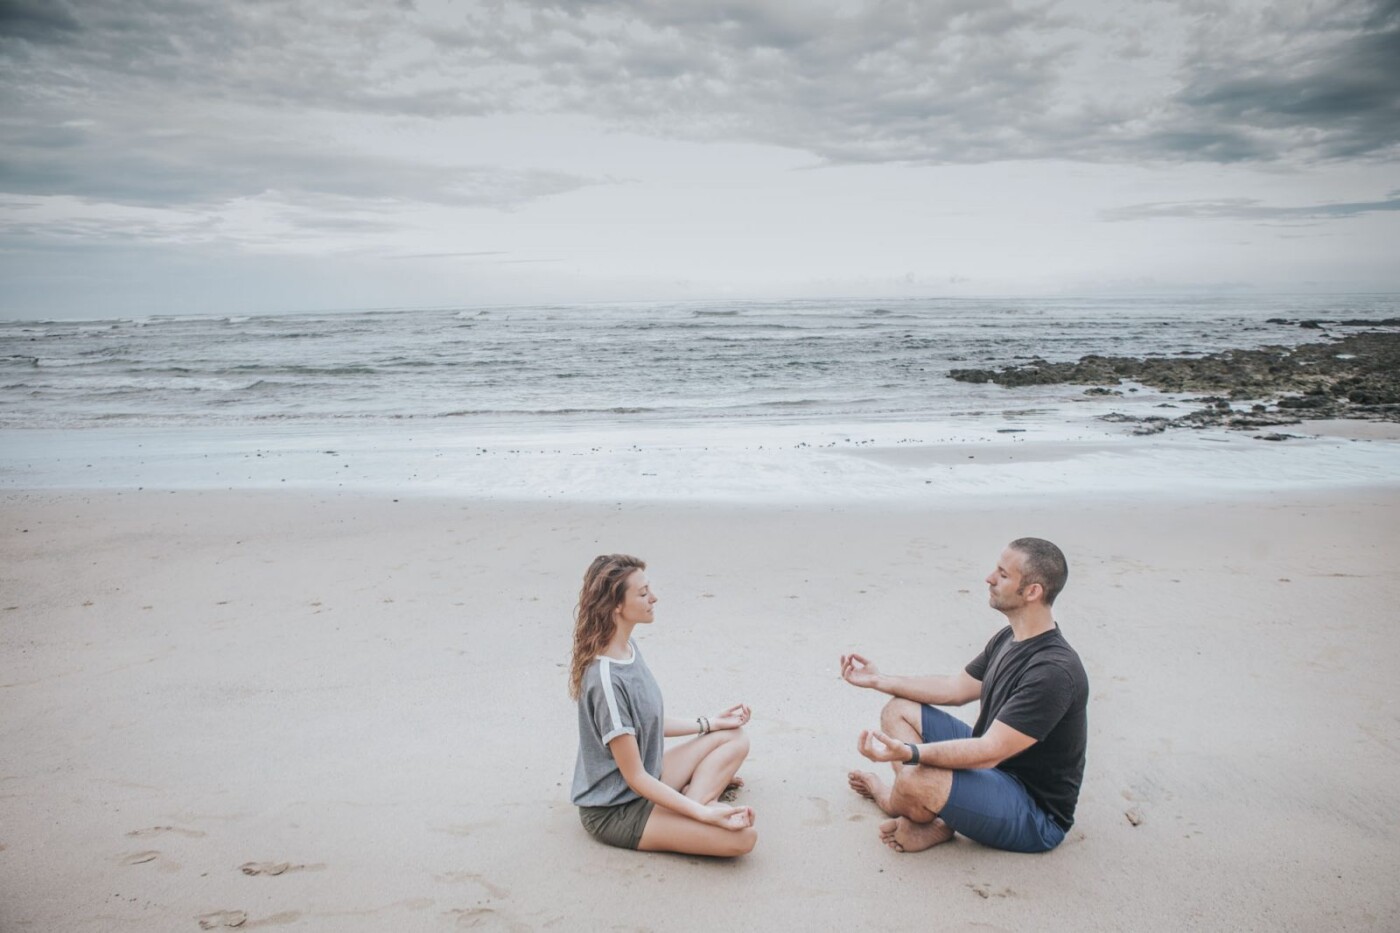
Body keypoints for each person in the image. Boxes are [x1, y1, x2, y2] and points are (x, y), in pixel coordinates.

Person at [842, 537, 1088, 854]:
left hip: (1033, 813)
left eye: (1002, 574)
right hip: (993, 770)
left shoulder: (1054, 672)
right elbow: (954, 689)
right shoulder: (1010, 638)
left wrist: (909, 753)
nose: (989, 578)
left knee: (918, 776)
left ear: (1032, 591)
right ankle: (924, 809)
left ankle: (896, 800)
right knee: (898, 709)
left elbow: (989, 751)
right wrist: (879, 680)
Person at [569, 554, 757, 856]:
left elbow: (647, 723)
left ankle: (692, 801)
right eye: (643, 594)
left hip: (649, 777)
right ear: (616, 605)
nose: (653, 598)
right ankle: (697, 805)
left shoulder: (628, 649)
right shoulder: (605, 680)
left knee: (734, 737)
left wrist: (709, 723)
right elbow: (635, 777)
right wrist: (704, 814)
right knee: (743, 839)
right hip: (617, 808)